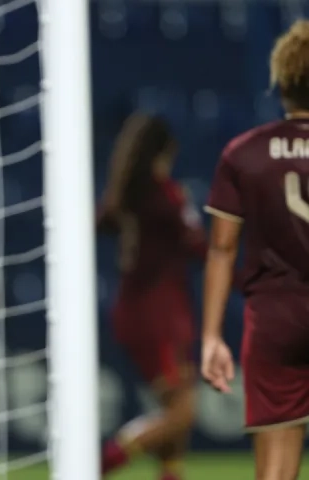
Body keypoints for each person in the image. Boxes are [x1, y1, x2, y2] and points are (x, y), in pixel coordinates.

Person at [201, 19, 309, 480]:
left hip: (274, 319)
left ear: (281, 83)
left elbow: (222, 249)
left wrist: (211, 337)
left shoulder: (243, 152)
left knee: (276, 471)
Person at [97, 113, 205, 480]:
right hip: (161, 316)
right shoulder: (168, 197)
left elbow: (101, 224)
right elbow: (199, 247)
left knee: (176, 404)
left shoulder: (123, 198)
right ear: (166, 152)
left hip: (135, 310)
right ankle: (99, 464)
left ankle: (169, 475)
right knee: (182, 413)